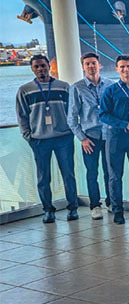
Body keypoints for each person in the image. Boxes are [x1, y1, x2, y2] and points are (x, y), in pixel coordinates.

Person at [16, 54, 79, 223]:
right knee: (43, 178)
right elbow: (22, 115)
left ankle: (72, 208)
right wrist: (28, 136)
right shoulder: (25, 90)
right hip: (39, 140)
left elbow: (72, 112)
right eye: (37, 67)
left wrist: (72, 130)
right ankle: (48, 210)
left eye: (43, 66)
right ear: (32, 69)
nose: (40, 69)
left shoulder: (64, 87)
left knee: (68, 175)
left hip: (64, 138)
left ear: (48, 67)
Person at [99, 54, 129, 224]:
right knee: (115, 175)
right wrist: (125, 124)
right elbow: (103, 114)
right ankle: (117, 209)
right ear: (117, 69)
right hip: (116, 137)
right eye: (122, 67)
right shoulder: (110, 90)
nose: (126, 69)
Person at [68, 52, 114, 220]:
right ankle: (95, 205)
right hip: (91, 138)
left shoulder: (110, 85)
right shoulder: (77, 88)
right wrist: (82, 138)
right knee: (92, 173)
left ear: (99, 65)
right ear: (83, 67)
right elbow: (71, 118)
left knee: (110, 172)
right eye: (87, 64)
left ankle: (111, 202)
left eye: (93, 63)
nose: (91, 66)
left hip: (109, 135)